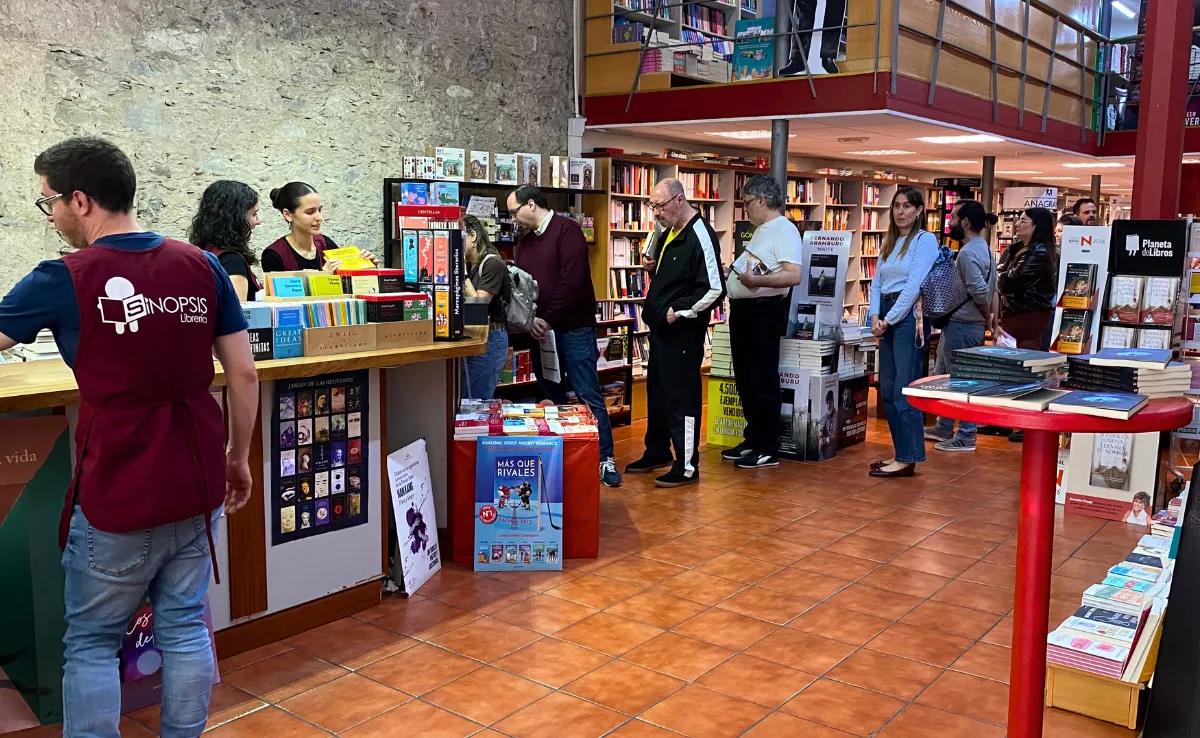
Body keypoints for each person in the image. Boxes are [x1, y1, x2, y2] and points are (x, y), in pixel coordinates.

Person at [0, 137, 259, 737]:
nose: (52, 218)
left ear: (81, 200)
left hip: (117, 487)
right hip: (195, 482)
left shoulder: (63, 276)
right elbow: (242, 373)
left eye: (50, 204)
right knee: (186, 627)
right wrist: (237, 459)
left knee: (91, 641)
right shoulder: (203, 265)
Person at [506, 185, 622, 488]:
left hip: (572, 328)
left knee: (587, 392)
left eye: (513, 211)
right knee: (550, 394)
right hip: (540, 332)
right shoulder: (525, 243)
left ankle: (604, 459)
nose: (512, 219)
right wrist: (530, 319)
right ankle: (559, 457)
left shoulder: (567, 231)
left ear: (531, 205)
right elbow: (524, 288)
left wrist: (548, 319)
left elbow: (573, 280)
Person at [624, 178, 725, 487]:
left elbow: (714, 288)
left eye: (660, 206)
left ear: (680, 200)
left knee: (681, 399)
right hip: (661, 333)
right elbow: (676, 277)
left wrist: (677, 311)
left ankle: (686, 466)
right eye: (652, 206)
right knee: (657, 393)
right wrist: (654, 268)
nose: (656, 213)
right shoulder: (669, 232)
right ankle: (657, 451)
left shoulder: (700, 235)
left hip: (681, 334)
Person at [723, 175, 802, 469]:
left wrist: (755, 280)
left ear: (763, 201)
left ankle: (767, 446)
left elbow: (793, 275)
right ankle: (753, 437)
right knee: (745, 378)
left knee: (762, 377)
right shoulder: (762, 231)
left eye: (747, 203)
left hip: (763, 311)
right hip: (745, 311)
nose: (745, 209)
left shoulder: (784, 230)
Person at [868, 186, 939, 478]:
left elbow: (913, 287)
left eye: (907, 206)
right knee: (887, 390)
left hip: (907, 317)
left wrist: (889, 320)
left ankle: (908, 457)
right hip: (886, 313)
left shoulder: (925, 241)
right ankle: (900, 454)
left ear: (919, 210)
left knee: (903, 391)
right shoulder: (891, 242)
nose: (900, 211)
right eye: (896, 206)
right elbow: (876, 281)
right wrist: (874, 316)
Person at [924, 200, 997, 453]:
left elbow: (980, 291)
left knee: (962, 382)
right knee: (945, 375)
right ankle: (943, 425)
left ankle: (966, 435)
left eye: (953, 216)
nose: (950, 221)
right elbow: (992, 288)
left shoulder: (967, 253)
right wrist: (991, 319)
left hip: (964, 325)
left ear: (965, 222)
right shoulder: (984, 248)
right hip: (961, 324)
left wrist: (987, 318)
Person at [262, 182, 375, 272]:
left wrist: (369, 269)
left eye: (320, 210)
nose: (319, 217)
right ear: (288, 215)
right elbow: (281, 298)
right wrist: (323, 279)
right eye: (310, 212)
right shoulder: (275, 255)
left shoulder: (326, 244)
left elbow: (347, 287)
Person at [462, 214, 510, 400]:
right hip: (473, 336)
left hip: (490, 338)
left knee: (477, 400)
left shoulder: (492, 263)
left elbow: (479, 307)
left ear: (472, 236)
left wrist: (460, 273)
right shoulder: (471, 264)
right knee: (467, 397)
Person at [189, 180, 262, 301]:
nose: (258, 221)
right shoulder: (232, 261)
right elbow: (239, 313)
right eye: (254, 214)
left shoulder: (202, 252)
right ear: (237, 218)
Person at [995, 207, 1057, 350]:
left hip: (1027, 315)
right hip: (1015, 314)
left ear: (1037, 226)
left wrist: (997, 275)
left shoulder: (1039, 252)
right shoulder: (1017, 249)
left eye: (1023, 221)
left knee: (1025, 353)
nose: (1017, 224)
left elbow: (1010, 281)